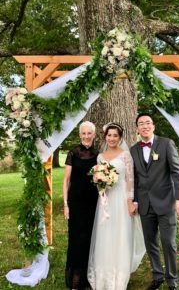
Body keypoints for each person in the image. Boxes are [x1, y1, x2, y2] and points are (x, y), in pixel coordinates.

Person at [130, 113, 179, 290]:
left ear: (153, 126)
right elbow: (136, 178)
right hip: (145, 205)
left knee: (168, 243)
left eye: (148, 123)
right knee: (150, 243)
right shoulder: (134, 150)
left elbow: (177, 173)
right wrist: (135, 201)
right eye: (141, 124)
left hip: (166, 202)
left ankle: (172, 280)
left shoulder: (166, 144)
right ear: (137, 128)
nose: (145, 126)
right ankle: (157, 275)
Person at [87, 122, 145, 290]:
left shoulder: (125, 155)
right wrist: (101, 183)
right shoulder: (100, 157)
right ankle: (103, 273)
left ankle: (118, 275)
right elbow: (97, 179)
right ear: (105, 137)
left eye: (115, 136)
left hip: (120, 200)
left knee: (120, 234)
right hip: (105, 200)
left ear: (120, 138)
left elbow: (130, 179)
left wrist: (129, 201)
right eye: (109, 135)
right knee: (105, 233)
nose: (111, 138)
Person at [63, 121, 99, 290]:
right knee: (76, 239)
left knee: (90, 238)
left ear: (94, 135)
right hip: (76, 203)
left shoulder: (99, 154)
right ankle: (76, 277)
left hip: (93, 203)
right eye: (83, 133)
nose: (86, 136)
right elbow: (66, 181)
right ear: (80, 135)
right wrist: (65, 205)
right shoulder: (73, 153)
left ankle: (88, 275)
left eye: (89, 133)